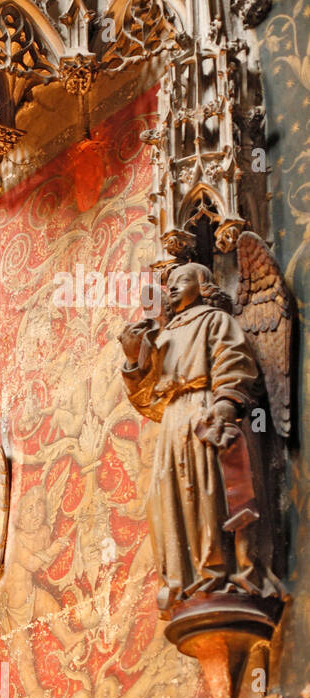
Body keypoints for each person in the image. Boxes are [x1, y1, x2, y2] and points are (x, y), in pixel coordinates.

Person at [119, 262, 283, 612]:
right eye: (170, 283)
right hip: (173, 420)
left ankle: (220, 574)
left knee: (210, 490)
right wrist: (135, 359)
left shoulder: (214, 320)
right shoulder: (161, 336)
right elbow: (148, 399)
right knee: (168, 497)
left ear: (204, 284)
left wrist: (225, 405)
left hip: (205, 408)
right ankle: (184, 580)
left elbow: (234, 360)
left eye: (182, 280)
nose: (173, 287)